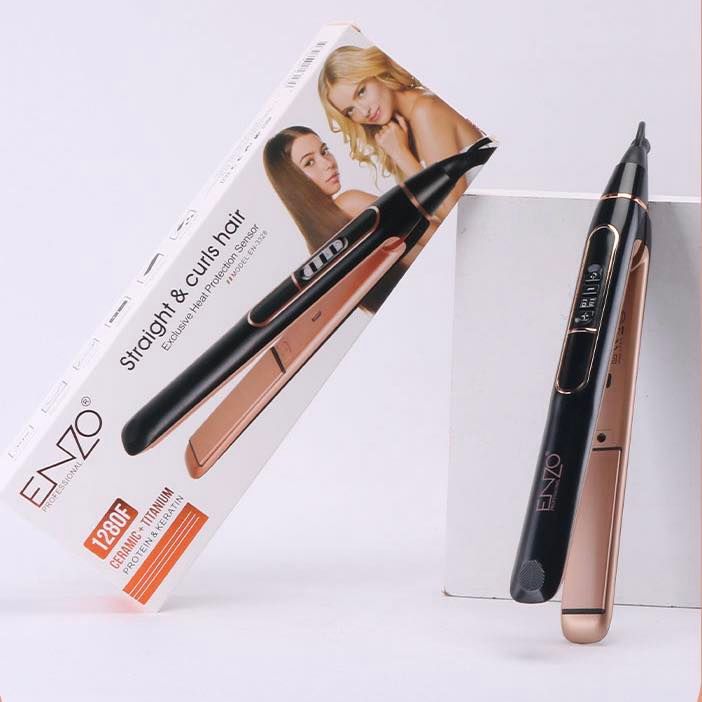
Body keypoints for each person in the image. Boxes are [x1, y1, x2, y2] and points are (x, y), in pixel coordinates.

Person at [318, 44, 484, 222]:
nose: (364, 111)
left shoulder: (425, 111)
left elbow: (454, 215)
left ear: (375, 71)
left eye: (361, 92)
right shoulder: (405, 129)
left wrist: (400, 154)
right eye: (350, 110)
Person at [263, 125, 374, 253]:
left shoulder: (313, 247)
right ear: (291, 182)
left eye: (324, 151)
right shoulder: (349, 202)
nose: (328, 163)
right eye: (309, 162)